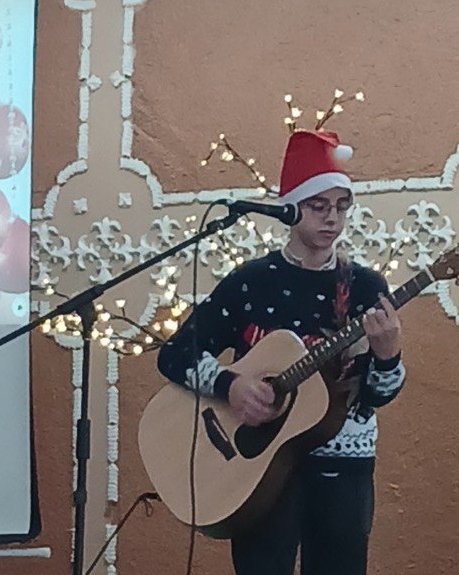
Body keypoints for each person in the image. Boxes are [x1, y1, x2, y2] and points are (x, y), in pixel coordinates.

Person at [157, 127, 405, 575]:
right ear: (291, 208)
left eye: (341, 207)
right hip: (258, 467)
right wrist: (231, 386)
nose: (332, 219)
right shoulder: (252, 282)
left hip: (343, 468)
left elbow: (375, 397)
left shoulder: (366, 287)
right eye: (318, 206)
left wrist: (388, 357)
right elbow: (176, 353)